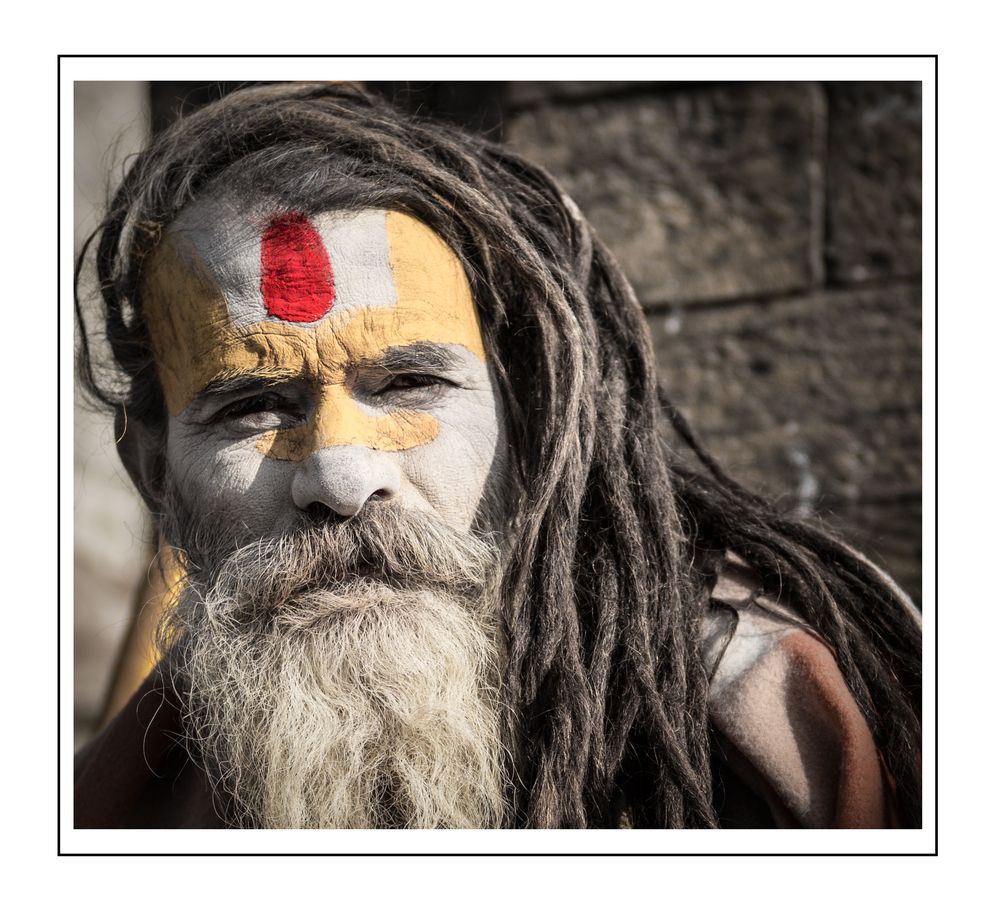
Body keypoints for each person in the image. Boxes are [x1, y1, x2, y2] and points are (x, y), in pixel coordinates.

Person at [74, 82, 921, 829]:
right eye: (254, 405)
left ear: (526, 411)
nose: (340, 475)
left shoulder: (756, 732)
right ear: (153, 471)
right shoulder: (119, 809)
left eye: (407, 383)